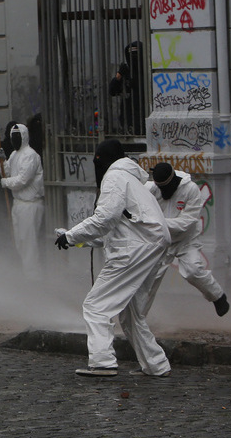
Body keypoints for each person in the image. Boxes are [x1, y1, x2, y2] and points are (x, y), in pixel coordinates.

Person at [54, 140, 171, 378]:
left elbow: (104, 219)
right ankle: (156, 365)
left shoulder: (115, 177)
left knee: (96, 306)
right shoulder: (130, 179)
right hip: (150, 245)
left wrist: (72, 235)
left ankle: (102, 362)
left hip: (135, 249)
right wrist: (73, 238)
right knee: (131, 313)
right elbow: (113, 230)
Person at [145, 163, 231, 317]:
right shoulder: (151, 189)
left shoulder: (190, 189)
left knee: (193, 270)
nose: (163, 193)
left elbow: (187, 221)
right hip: (161, 241)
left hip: (186, 240)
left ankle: (217, 296)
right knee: (149, 280)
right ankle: (138, 318)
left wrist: (158, 224)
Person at [0, 123, 45, 279]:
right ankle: (27, 273)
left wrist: (6, 183)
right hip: (18, 204)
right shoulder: (14, 155)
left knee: (29, 243)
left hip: (30, 205)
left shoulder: (30, 155)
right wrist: (1, 161)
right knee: (20, 241)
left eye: (18, 136)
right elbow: (9, 172)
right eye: (13, 137)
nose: (15, 139)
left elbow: (22, 180)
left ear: (24, 137)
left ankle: (33, 276)